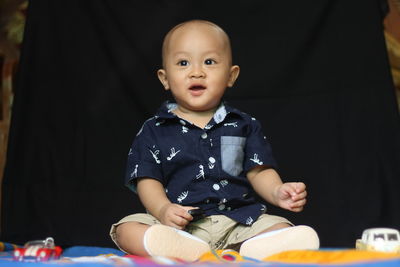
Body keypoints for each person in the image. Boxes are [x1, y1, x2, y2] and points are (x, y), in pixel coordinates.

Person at [110, 19, 319, 261]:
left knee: (281, 227)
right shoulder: (154, 129)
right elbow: (147, 179)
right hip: (179, 226)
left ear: (231, 75)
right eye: (183, 63)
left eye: (209, 62)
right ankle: (181, 248)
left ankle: (249, 248)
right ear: (165, 78)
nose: (196, 71)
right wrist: (163, 209)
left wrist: (277, 190)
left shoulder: (244, 125)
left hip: (239, 222)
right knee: (127, 229)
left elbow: (258, 171)